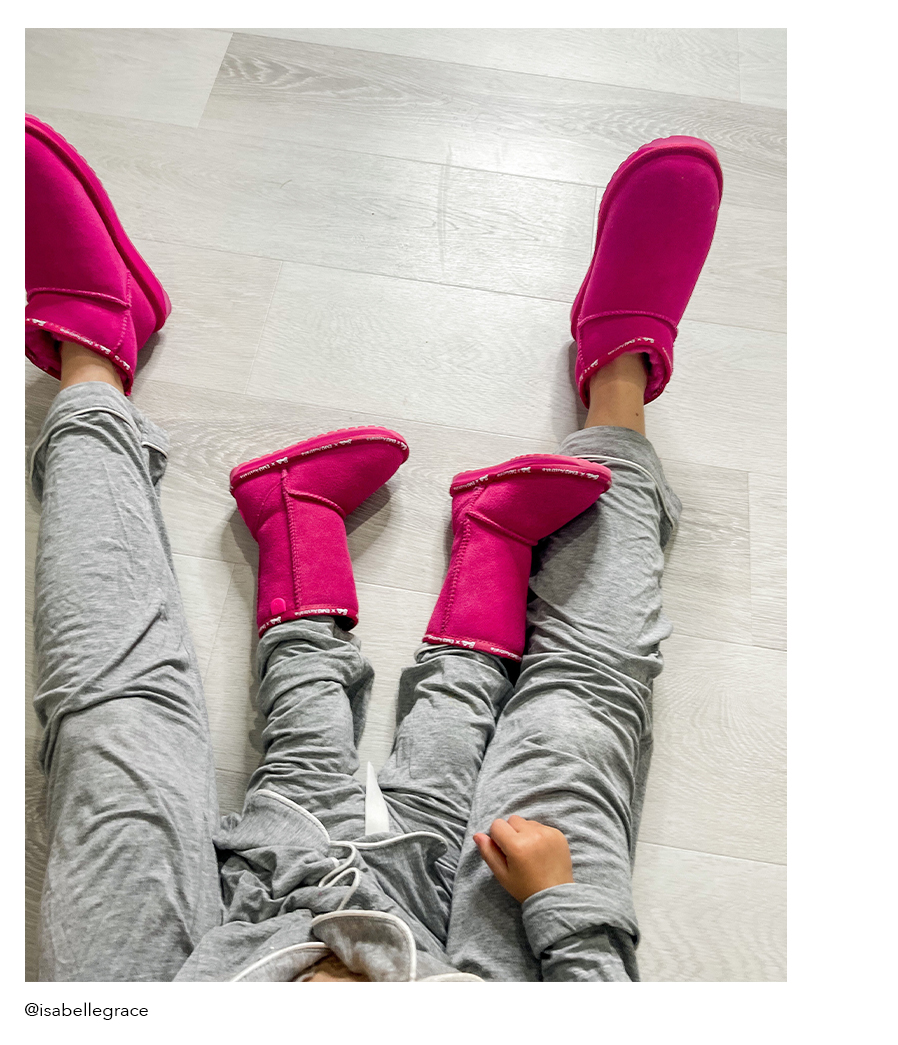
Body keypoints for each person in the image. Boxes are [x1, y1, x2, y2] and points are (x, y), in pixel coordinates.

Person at [26, 114, 722, 982]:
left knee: (109, 727)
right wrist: (567, 912)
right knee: (583, 728)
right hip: (459, 978)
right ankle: (617, 381)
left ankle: (91, 359)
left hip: (202, 989)